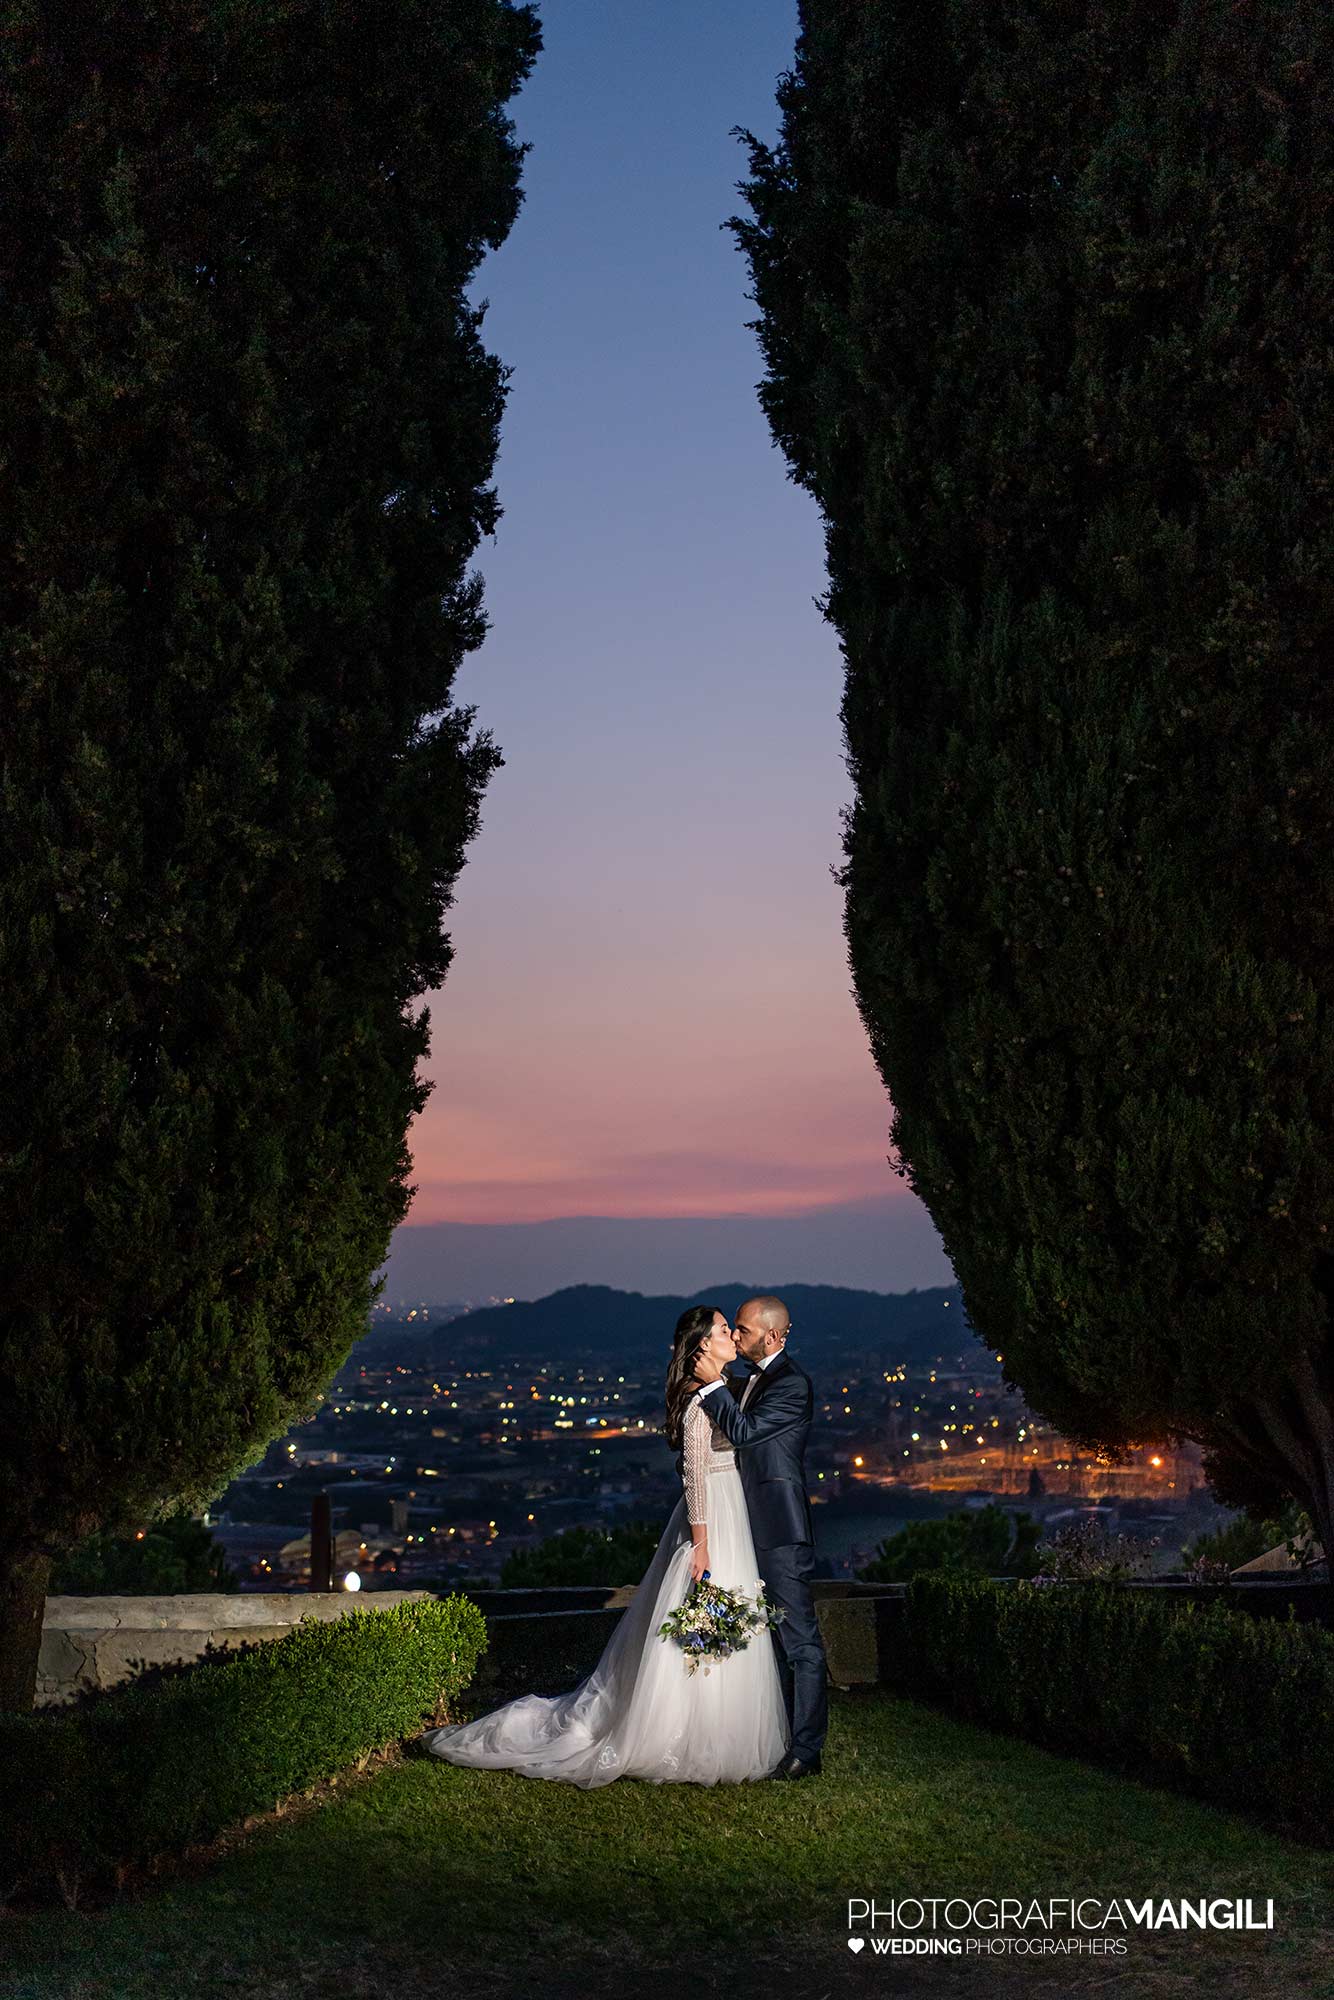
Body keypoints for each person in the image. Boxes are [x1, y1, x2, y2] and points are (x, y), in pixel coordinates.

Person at [419, 1304, 789, 1786]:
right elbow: (694, 1475)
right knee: (700, 1618)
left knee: (723, 1616)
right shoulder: (701, 1402)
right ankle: (688, 1732)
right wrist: (701, 1544)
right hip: (712, 1518)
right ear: (703, 1345)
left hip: (730, 1511)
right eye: (724, 1331)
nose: (733, 1338)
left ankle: (721, 1729)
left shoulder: (720, 1393)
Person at [692, 1293, 829, 1779]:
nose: (735, 1336)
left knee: (799, 1642)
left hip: (778, 1528)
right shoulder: (748, 1377)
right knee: (764, 1638)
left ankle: (806, 1752)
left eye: (743, 1330)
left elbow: (746, 1433)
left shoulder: (792, 1385)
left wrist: (710, 1389)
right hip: (743, 1523)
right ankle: (770, 1734)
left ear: (771, 1336)